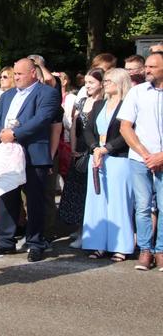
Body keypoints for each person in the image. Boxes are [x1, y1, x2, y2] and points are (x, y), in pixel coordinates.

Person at [0, 58, 60, 262]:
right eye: (14, 74)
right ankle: (6, 242)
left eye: (20, 74)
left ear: (33, 73)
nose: (15, 77)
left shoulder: (48, 93)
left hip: (32, 155)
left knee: (35, 201)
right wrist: (1, 133)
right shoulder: (8, 95)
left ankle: (36, 242)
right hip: (7, 152)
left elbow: (42, 119)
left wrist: (15, 133)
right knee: (7, 197)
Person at [82, 68, 134, 261]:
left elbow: (127, 133)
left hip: (118, 159)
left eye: (109, 80)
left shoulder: (127, 105)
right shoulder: (98, 105)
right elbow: (87, 129)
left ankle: (120, 246)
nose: (105, 83)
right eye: (104, 80)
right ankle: (97, 244)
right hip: (97, 158)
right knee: (96, 202)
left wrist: (108, 148)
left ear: (120, 82)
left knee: (118, 202)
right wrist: (95, 147)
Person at [118, 51, 163, 271]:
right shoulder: (137, 92)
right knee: (143, 206)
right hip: (140, 159)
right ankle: (145, 250)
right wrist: (146, 154)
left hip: (162, 157)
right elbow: (125, 126)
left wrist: (160, 156)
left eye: (153, 67)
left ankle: (161, 250)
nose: (147, 70)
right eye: (147, 67)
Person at [59, 68, 104, 247]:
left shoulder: (104, 103)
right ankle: (79, 229)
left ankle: (89, 231)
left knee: (90, 192)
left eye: (91, 82)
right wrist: (73, 148)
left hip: (93, 150)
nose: (87, 86)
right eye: (86, 82)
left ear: (101, 83)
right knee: (76, 193)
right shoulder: (82, 101)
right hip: (79, 151)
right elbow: (74, 127)